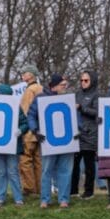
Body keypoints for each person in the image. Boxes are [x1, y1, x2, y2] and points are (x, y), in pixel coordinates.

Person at [29, 73, 75, 209]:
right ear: (54, 86)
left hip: (67, 140)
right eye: (62, 85)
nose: (65, 87)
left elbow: (75, 116)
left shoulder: (68, 99)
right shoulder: (40, 98)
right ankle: (45, 199)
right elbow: (31, 115)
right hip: (48, 141)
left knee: (65, 170)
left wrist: (78, 130)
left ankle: (64, 199)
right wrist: (35, 130)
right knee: (47, 170)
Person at [0, 84, 27, 208]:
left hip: (13, 146)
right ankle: (0, 197)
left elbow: (25, 123)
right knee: (1, 172)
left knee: (12, 171)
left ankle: (18, 198)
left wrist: (20, 130)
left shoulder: (16, 108)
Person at [72, 70, 98, 199]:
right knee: (74, 164)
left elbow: (98, 112)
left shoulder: (97, 95)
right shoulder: (77, 94)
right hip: (77, 134)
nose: (83, 83)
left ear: (92, 81)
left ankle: (89, 191)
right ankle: (73, 190)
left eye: (86, 80)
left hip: (90, 134)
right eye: (81, 80)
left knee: (89, 166)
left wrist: (82, 108)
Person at [18, 65, 44, 196]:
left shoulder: (30, 90)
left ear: (31, 75)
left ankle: (29, 188)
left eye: (25, 73)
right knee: (39, 161)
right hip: (40, 131)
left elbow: (25, 111)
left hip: (29, 132)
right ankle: (40, 188)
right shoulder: (41, 88)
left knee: (25, 159)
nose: (23, 75)